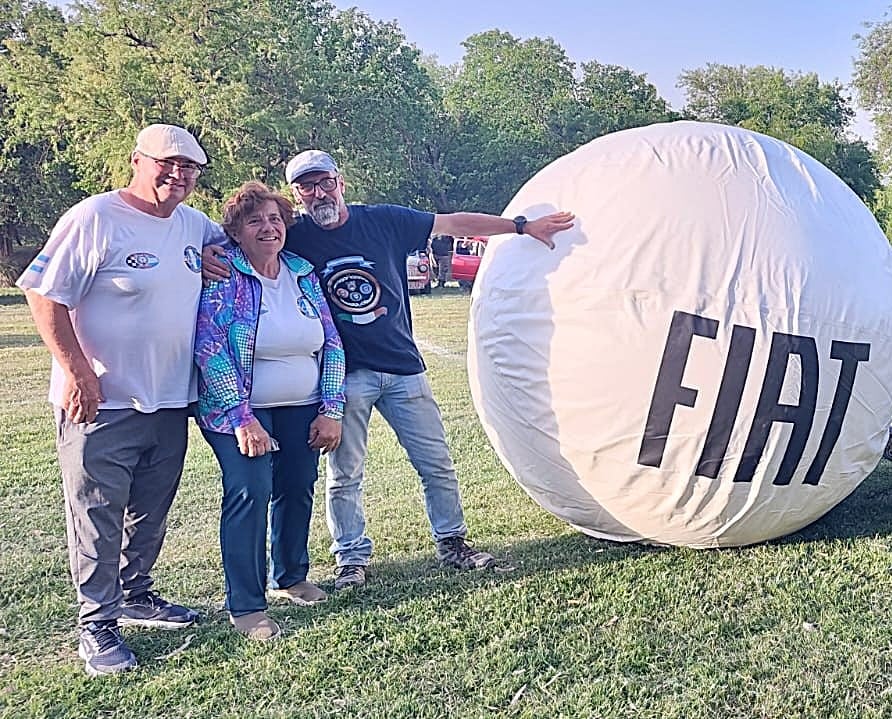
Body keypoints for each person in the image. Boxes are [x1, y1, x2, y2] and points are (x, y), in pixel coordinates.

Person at [204, 149, 574, 591]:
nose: (318, 193)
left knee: (435, 462)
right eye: (307, 186)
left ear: (341, 181)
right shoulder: (292, 232)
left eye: (325, 182)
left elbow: (453, 223)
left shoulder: (383, 220)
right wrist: (210, 250)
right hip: (343, 378)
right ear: (297, 195)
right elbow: (244, 234)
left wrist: (520, 227)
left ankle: (452, 540)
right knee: (345, 474)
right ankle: (350, 559)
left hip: (402, 367)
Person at [16, 124, 221, 677]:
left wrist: (218, 257)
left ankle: (135, 595)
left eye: (189, 170)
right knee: (98, 515)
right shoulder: (96, 217)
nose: (177, 177)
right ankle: (96, 625)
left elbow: (236, 243)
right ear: (137, 160)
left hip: (170, 400)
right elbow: (42, 293)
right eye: (166, 165)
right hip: (101, 404)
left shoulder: (192, 224)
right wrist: (79, 373)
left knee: (150, 513)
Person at [194, 181, 345, 641]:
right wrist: (243, 418)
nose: (268, 228)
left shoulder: (302, 272)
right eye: (254, 220)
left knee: (298, 486)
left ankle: (292, 575)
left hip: (302, 406)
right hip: (239, 411)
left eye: (275, 219)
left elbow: (332, 343)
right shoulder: (224, 275)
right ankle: (246, 605)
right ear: (235, 232)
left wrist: (331, 407)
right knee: (250, 491)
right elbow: (210, 345)